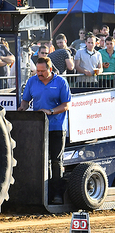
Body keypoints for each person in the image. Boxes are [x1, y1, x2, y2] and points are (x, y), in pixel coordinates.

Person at [18, 56, 71, 204]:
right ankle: (42, 194)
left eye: (42, 71)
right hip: (39, 127)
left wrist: (51, 111)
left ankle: (57, 194)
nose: (39, 74)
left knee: (55, 161)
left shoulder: (61, 82)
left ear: (50, 69)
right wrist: (22, 108)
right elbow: (26, 101)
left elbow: (66, 105)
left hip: (56, 127)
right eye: (37, 71)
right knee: (40, 160)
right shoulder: (32, 81)